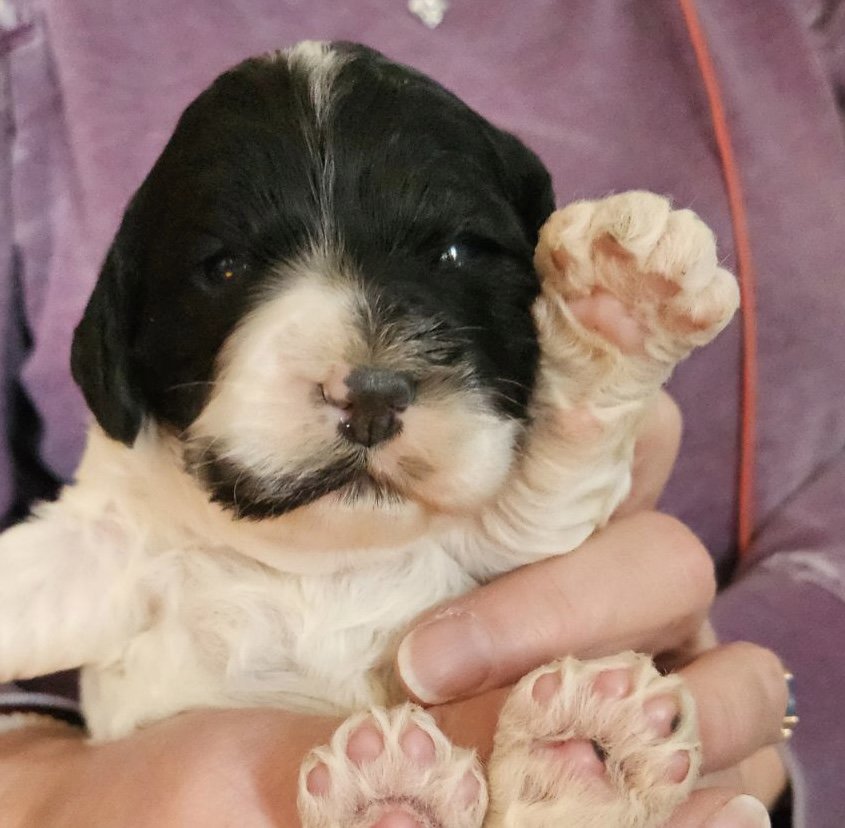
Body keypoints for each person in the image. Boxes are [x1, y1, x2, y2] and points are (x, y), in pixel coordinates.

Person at [0, 0, 842, 825]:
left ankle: (597, 362)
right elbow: (58, 578)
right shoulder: (139, 517)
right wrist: (40, 797)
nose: (359, 389)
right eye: (224, 267)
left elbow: (538, 522)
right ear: (120, 331)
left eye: (453, 253)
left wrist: (763, 718)